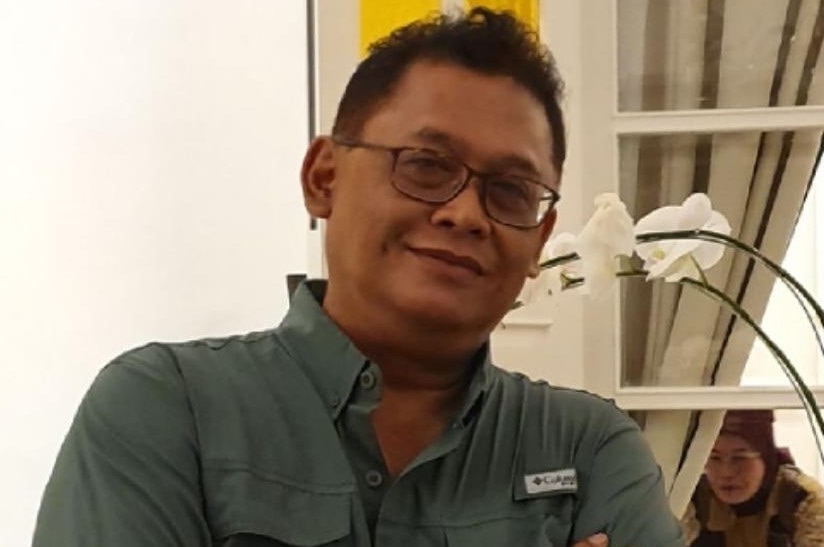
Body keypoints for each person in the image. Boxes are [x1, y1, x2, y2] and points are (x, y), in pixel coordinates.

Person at [33, 8, 684, 547]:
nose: (463, 213)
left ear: (540, 239)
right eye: (426, 164)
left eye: (511, 190)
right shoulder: (165, 413)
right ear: (324, 178)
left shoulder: (590, 452)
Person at [682, 409, 824, 545]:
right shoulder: (692, 501)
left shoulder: (802, 501)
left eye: (739, 458)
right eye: (714, 458)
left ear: (766, 457)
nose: (726, 472)